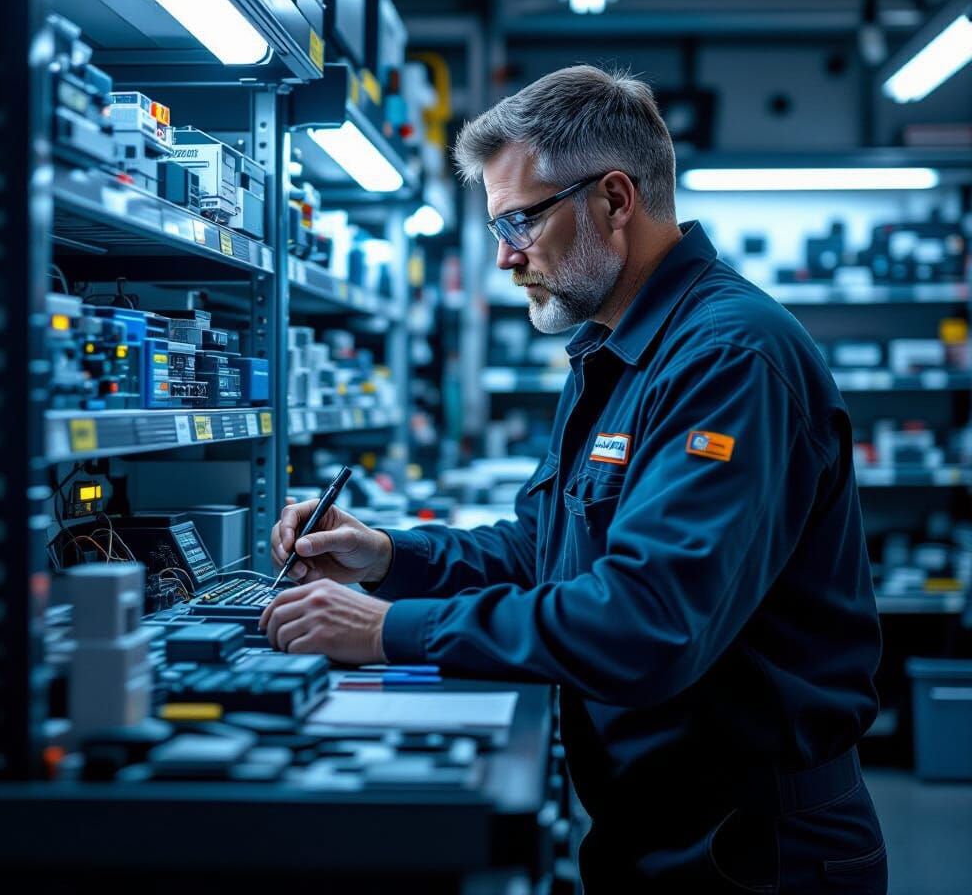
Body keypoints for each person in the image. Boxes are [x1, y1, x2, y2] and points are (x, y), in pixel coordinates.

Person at [260, 66, 887, 893]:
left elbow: (648, 622)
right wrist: (384, 556)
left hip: (757, 851)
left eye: (519, 220)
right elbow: (544, 549)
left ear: (615, 200)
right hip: (656, 825)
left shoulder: (730, 358)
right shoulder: (612, 350)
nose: (505, 256)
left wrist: (388, 630)